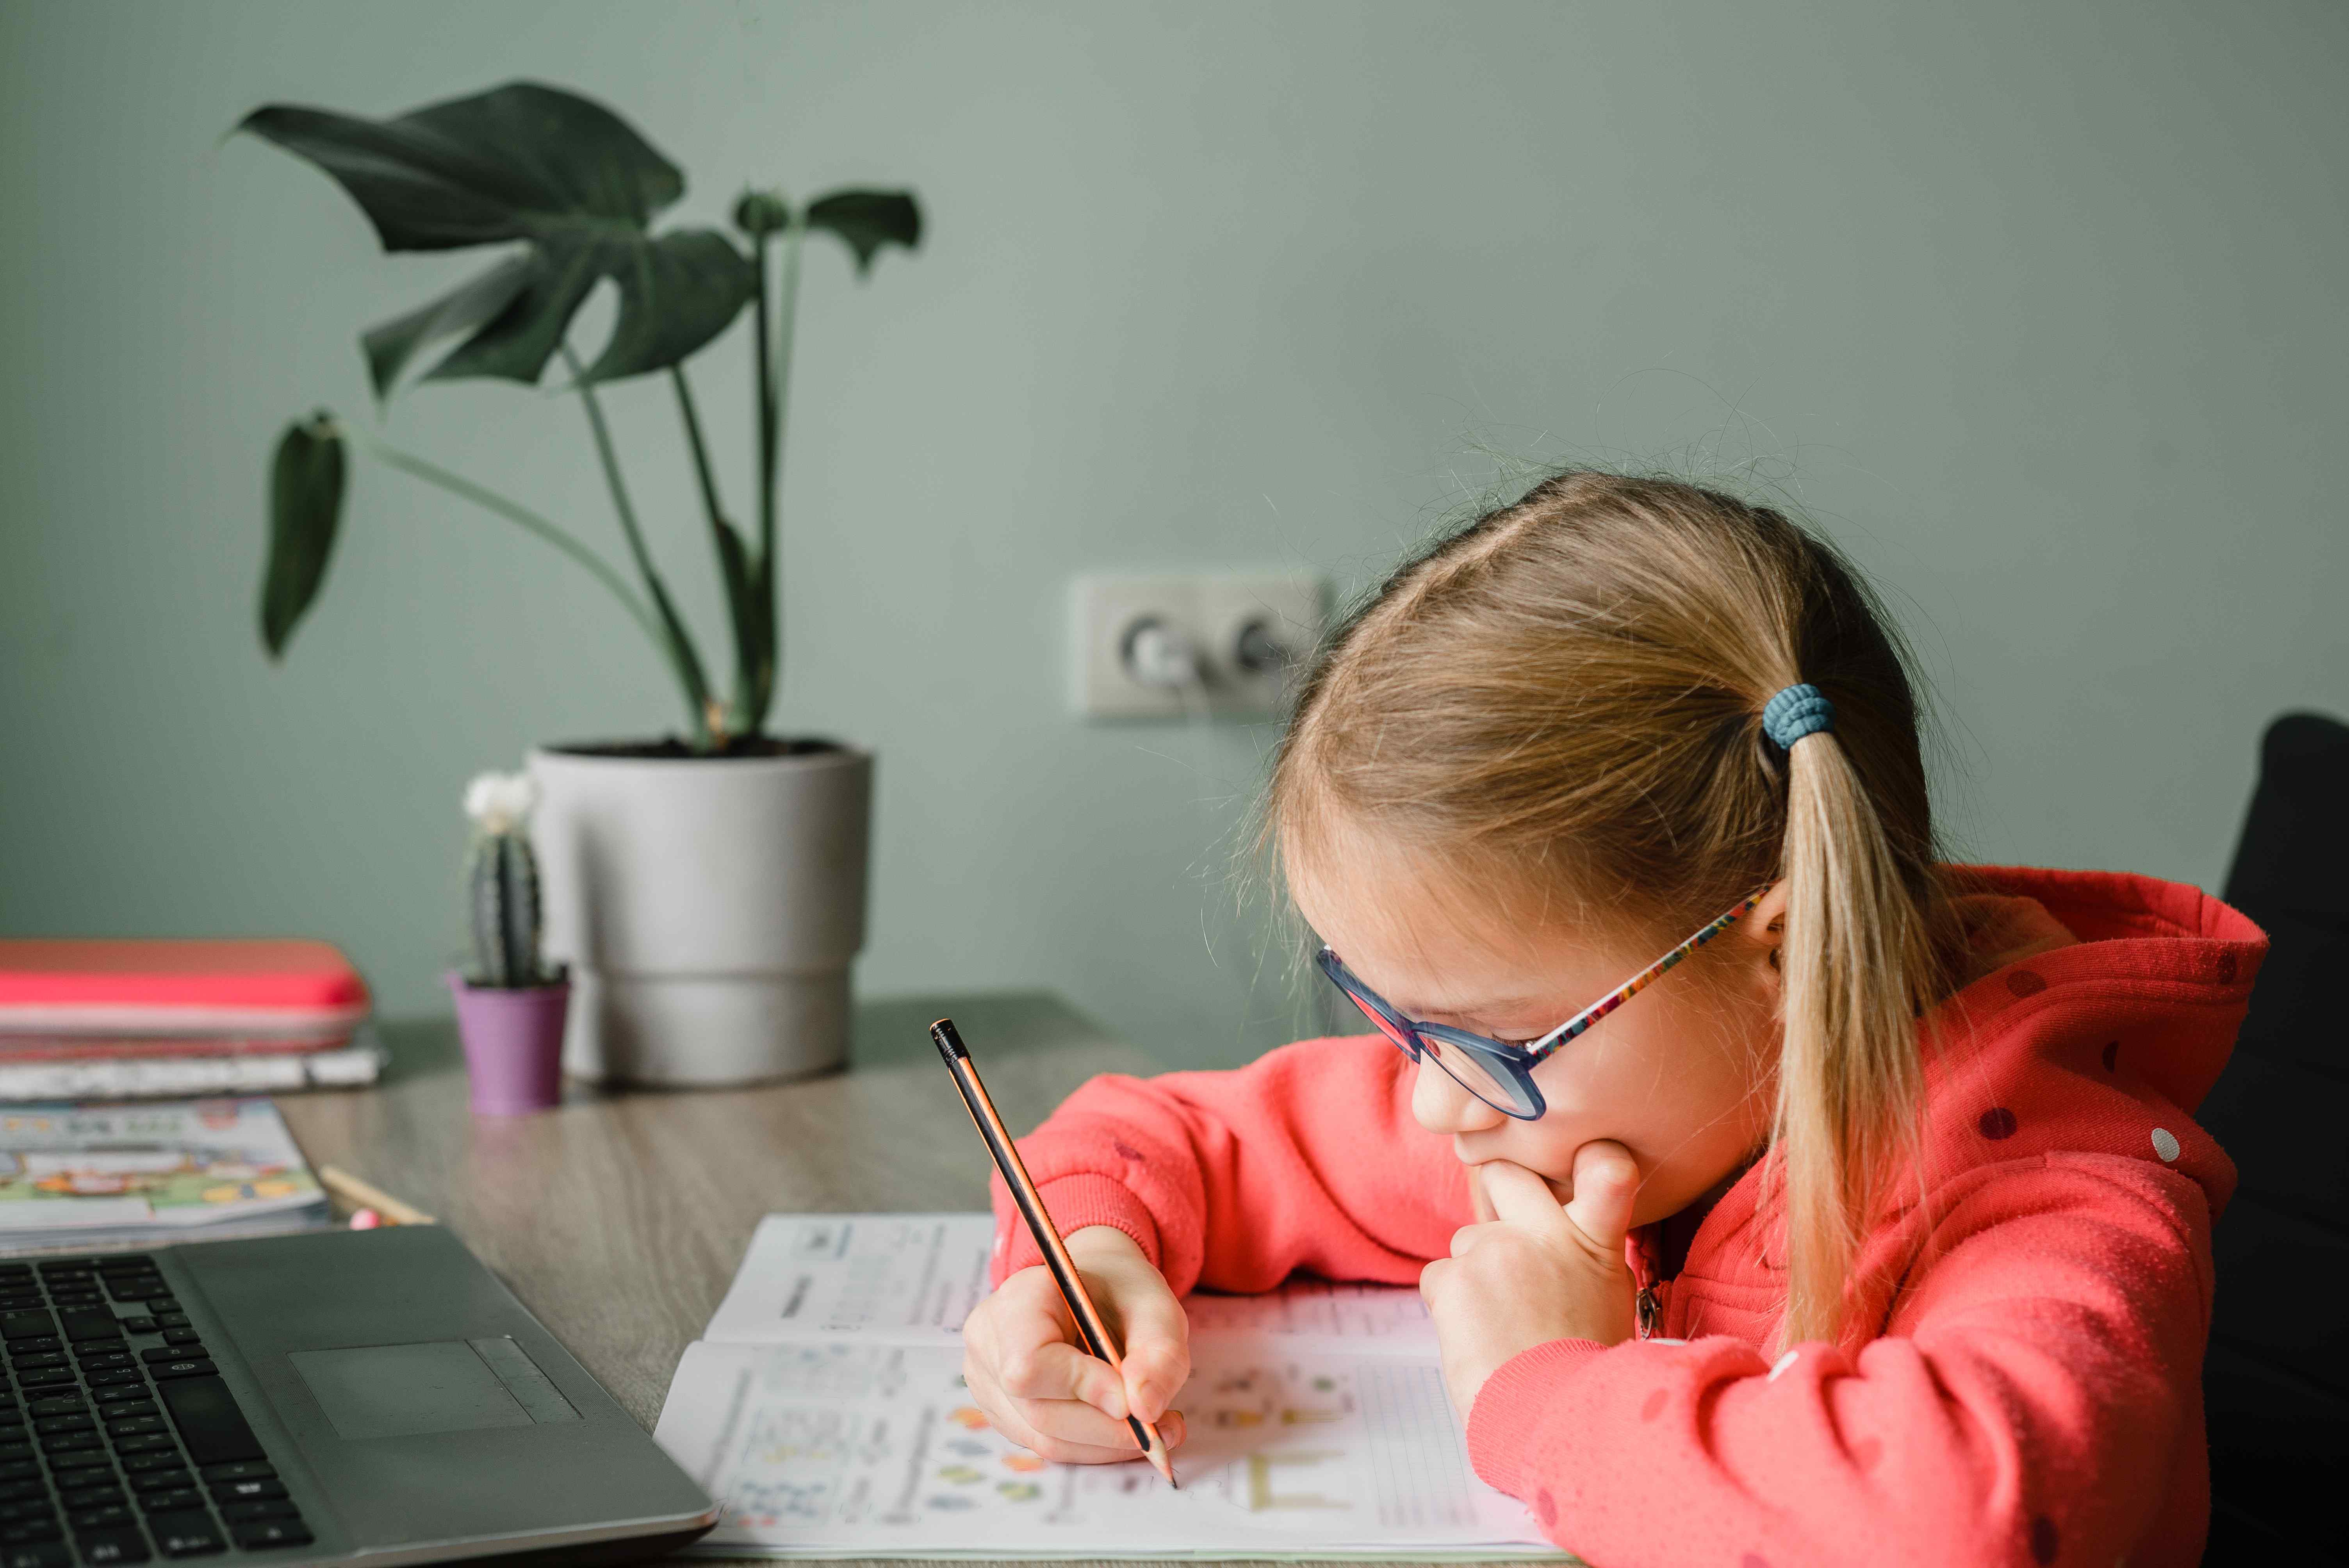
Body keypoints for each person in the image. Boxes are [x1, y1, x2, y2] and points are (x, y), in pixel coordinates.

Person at [960, 470, 2261, 1567]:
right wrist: (1086, 1263)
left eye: (1483, 1038)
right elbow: (1188, 1138)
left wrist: (1549, 1389)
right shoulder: (1571, 1122)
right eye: (1395, 1019)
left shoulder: (2059, 1194)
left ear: (1782, 950)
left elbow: (1966, 1519)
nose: (1432, 1101)